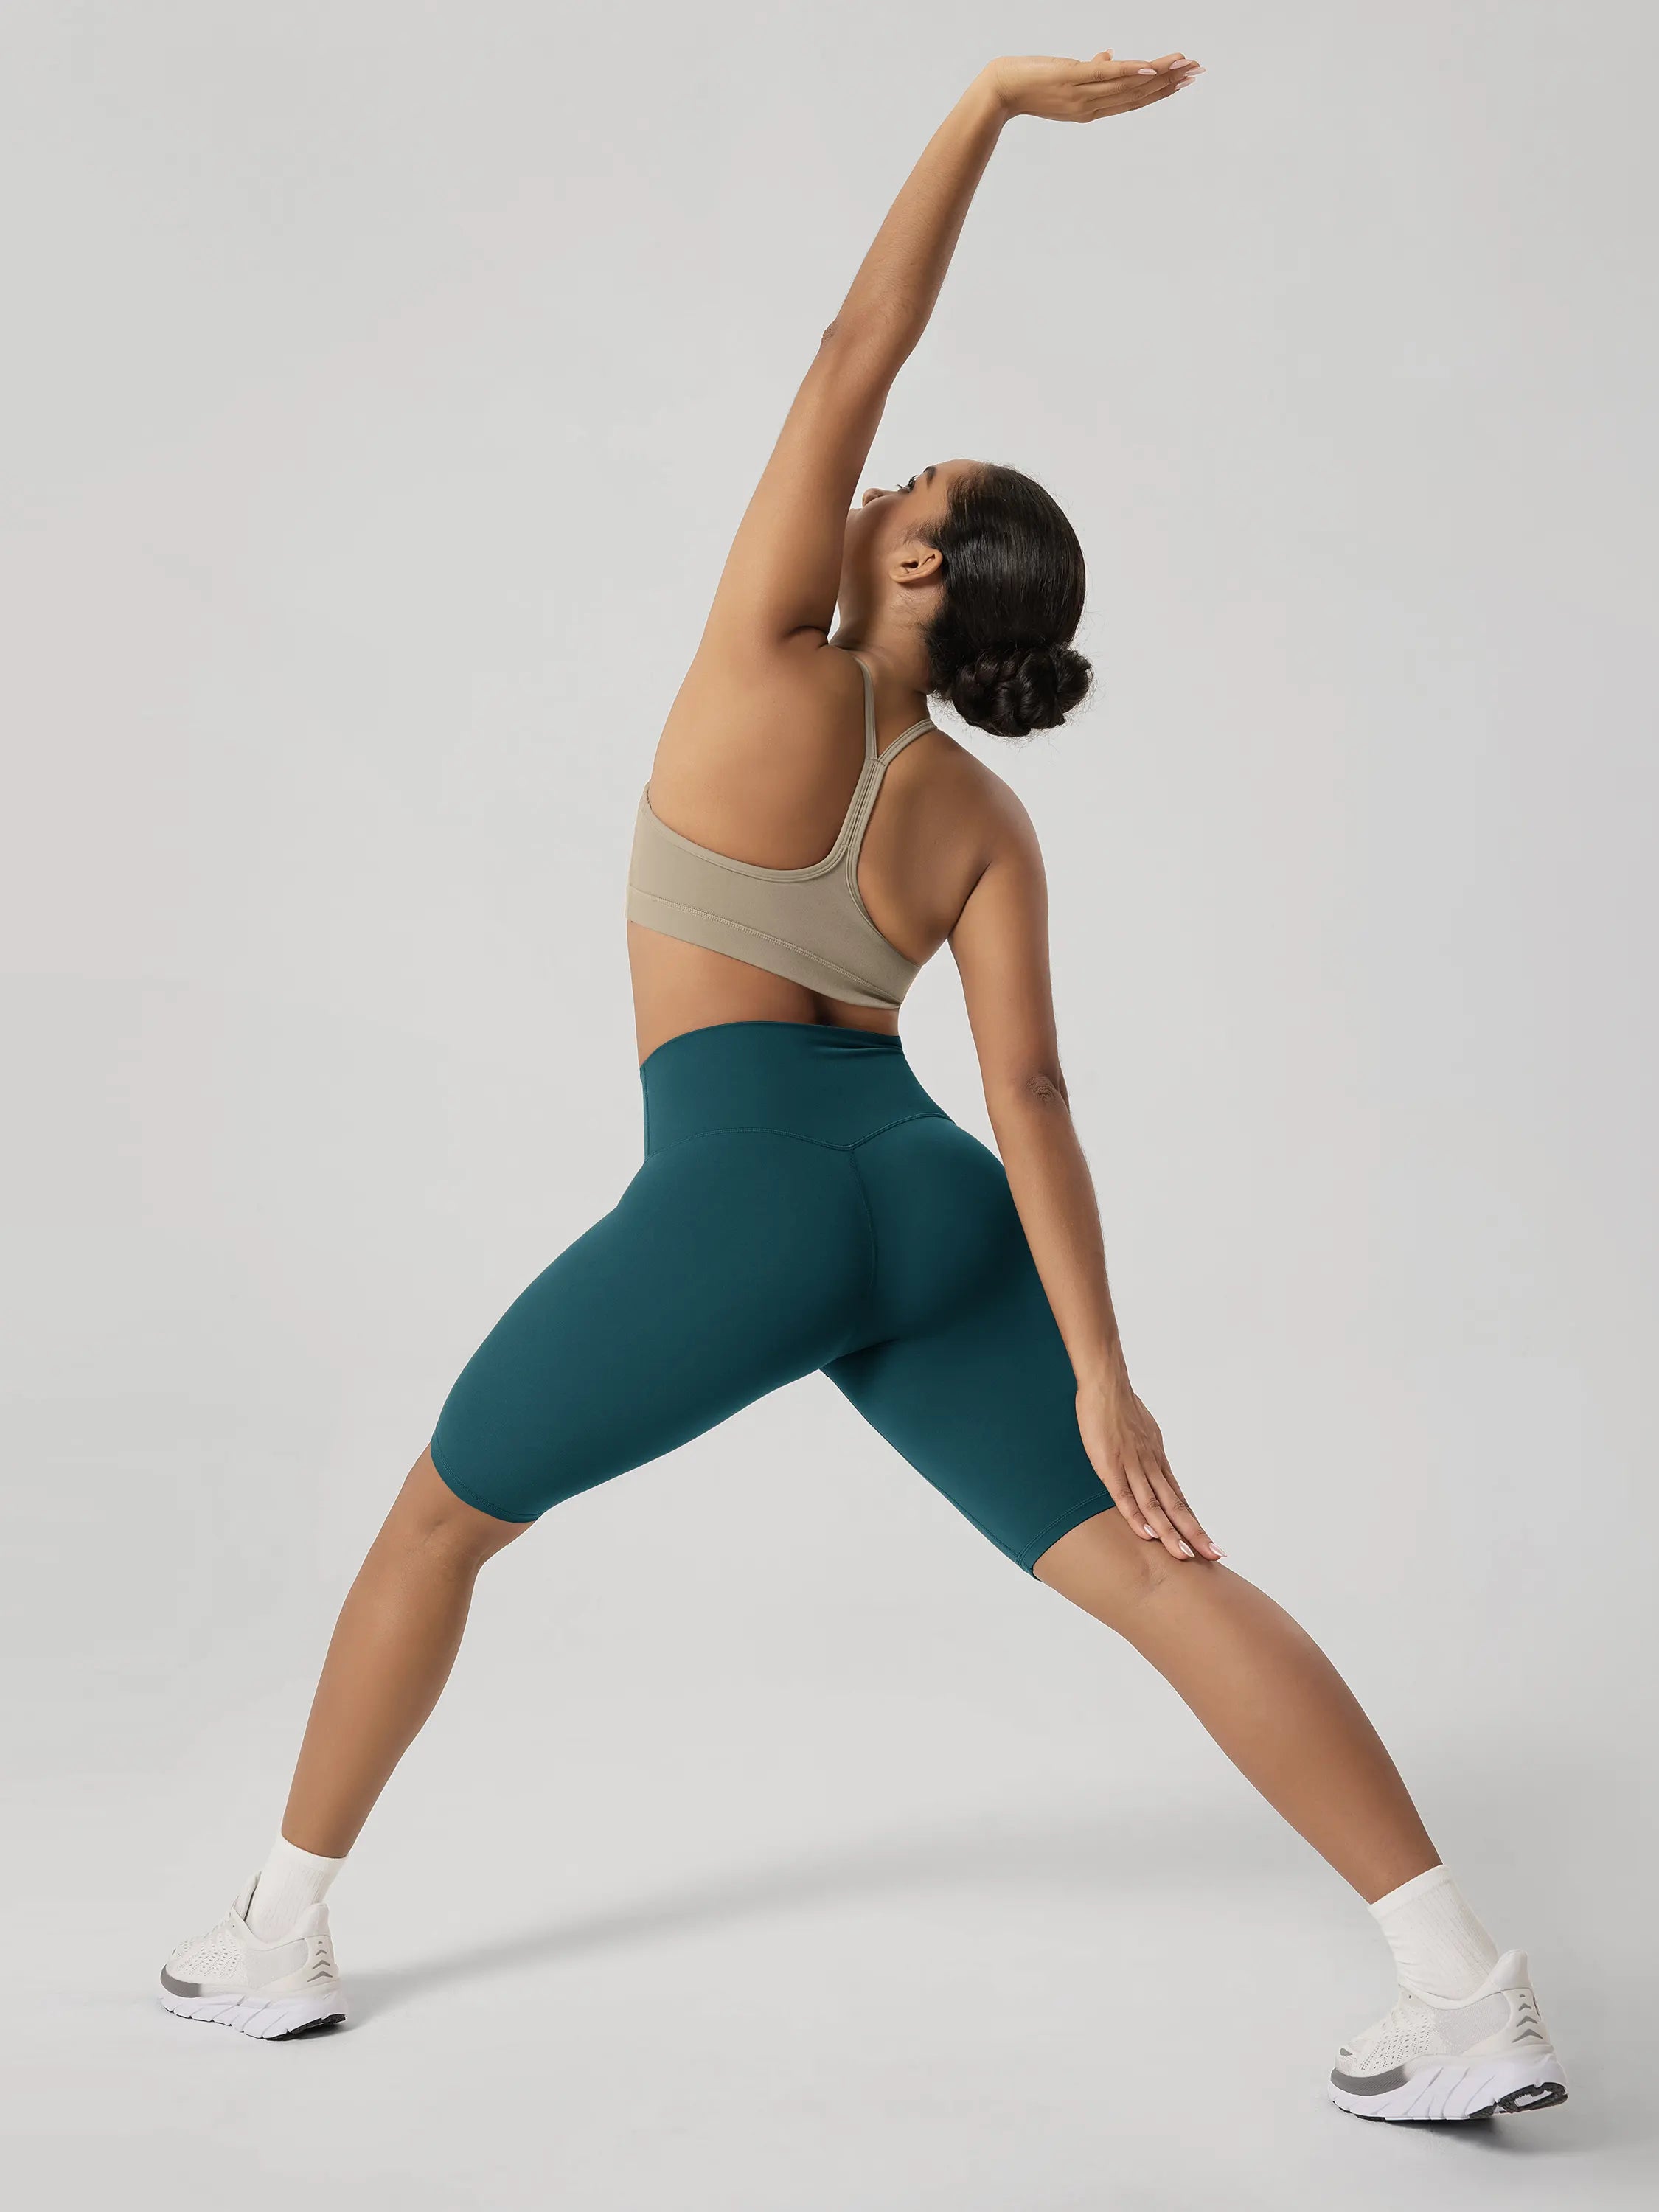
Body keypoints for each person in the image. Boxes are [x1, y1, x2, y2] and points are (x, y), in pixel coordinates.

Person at [159, 49, 1565, 2124]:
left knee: (438, 1524)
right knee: (1158, 1572)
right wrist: (1106, 1373)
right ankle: (1462, 1987)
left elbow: (852, 339)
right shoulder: (983, 814)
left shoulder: (761, 666)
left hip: (748, 1199)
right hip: (928, 1193)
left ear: (915, 571)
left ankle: (275, 1935)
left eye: (904, 486)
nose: (871, 477)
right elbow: (1036, 1096)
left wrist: (985, 107)